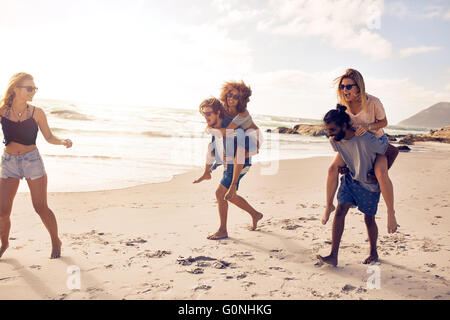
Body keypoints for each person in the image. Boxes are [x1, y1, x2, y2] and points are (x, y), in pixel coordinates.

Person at [0, 72, 72, 259]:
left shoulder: (37, 112)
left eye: (35, 88)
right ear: (16, 89)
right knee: (2, 210)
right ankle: (5, 243)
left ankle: (56, 240)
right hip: (9, 163)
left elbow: (48, 137)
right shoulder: (2, 111)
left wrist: (62, 141)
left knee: (40, 207)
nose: (34, 91)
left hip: (32, 162)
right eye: (30, 88)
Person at [317, 105, 399, 267]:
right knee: (340, 211)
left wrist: (378, 173)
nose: (329, 134)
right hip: (350, 180)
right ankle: (333, 255)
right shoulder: (335, 141)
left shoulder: (365, 139)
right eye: (327, 130)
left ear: (344, 126)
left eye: (332, 129)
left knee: (369, 219)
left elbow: (393, 151)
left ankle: (374, 252)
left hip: (369, 185)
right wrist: (346, 166)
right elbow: (347, 155)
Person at [322, 69, 398, 226]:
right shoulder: (343, 105)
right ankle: (329, 205)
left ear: (359, 87)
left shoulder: (373, 102)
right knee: (332, 169)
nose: (345, 90)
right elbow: (341, 127)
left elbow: (383, 122)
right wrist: (334, 136)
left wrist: (368, 126)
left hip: (376, 142)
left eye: (348, 87)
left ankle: (391, 213)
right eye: (342, 87)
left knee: (381, 174)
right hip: (355, 144)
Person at [193, 97, 263, 240]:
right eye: (203, 114)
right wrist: (207, 170)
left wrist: (233, 184)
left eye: (208, 114)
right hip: (229, 162)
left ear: (218, 112)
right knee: (229, 196)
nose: (205, 117)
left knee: (221, 193)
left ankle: (223, 230)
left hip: (241, 163)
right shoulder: (216, 126)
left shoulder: (231, 129)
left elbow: (240, 154)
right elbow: (213, 149)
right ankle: (255, 214)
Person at [207, 81, 262, 155]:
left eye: (236, 97)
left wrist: (211, 130)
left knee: (239, 153)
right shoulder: (223, 109)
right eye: (230, 95)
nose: (231, 98)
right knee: (213, 146)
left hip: (253, 136)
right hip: (240, 134)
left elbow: (227, 131)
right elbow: (213, 124)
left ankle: (253, 151)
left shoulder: (243, 113)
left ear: (241, 100)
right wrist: (210, 128)